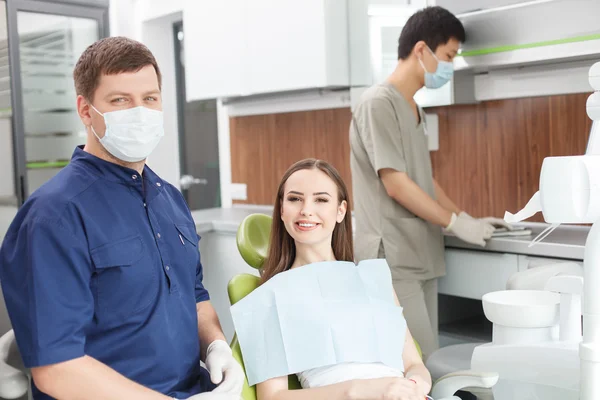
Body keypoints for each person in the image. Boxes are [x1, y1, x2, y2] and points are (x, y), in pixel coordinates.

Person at [0, 37, 243, 400]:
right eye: (120, 101)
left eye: (149, 99)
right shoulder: (53, 216)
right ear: (85, 110)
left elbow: (194, 295)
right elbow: (56, 369)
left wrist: (216, 346)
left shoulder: (169, 198)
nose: (140, 112)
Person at [349, 6, 512, 362]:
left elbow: (425, 180)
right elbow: (396, 184)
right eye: (449, 56)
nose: (451, 66)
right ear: (421, 49)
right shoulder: (378, 102)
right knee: (416, 363)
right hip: (390, 255)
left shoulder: (414, 108)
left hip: (419, 252)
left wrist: (467, 217)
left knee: (429, 359)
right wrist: (453, 224)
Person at [254, 158, 432, 400]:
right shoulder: (269, 297)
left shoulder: (373, 280)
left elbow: (414, 364)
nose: (306, 209)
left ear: (340, 211)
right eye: (295, 199)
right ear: (282, 210)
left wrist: (413, 386)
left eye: (321, 199)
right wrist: (357, 391)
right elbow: (272, 398)